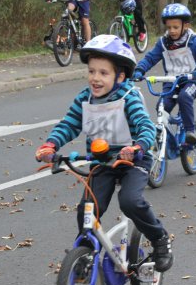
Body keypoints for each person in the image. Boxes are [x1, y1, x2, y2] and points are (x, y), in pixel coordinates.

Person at [34, 34, 173, 272]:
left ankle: (160, 239)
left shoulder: (129, 97)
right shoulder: (85, 99)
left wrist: (137, 147)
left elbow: (145, 126)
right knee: (88, 207)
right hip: (102, 162)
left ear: (120, 76)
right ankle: (85, 252)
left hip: (133, 161)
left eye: (103, 73)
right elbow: (69, 124)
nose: (95, 78)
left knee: (130, 201)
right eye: (91, 71)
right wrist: (51, 145)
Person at [132, 3, 196, 145]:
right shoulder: (163, 43)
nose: (172, 31)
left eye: (176, 27)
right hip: (171, 81)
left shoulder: (194, 41)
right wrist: (140, 69)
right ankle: (168, 139)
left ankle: (190, 131)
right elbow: (150, 58)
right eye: (169, 27)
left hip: (191, 80)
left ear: (185, 26)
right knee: (161, 107)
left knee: (184, 97)